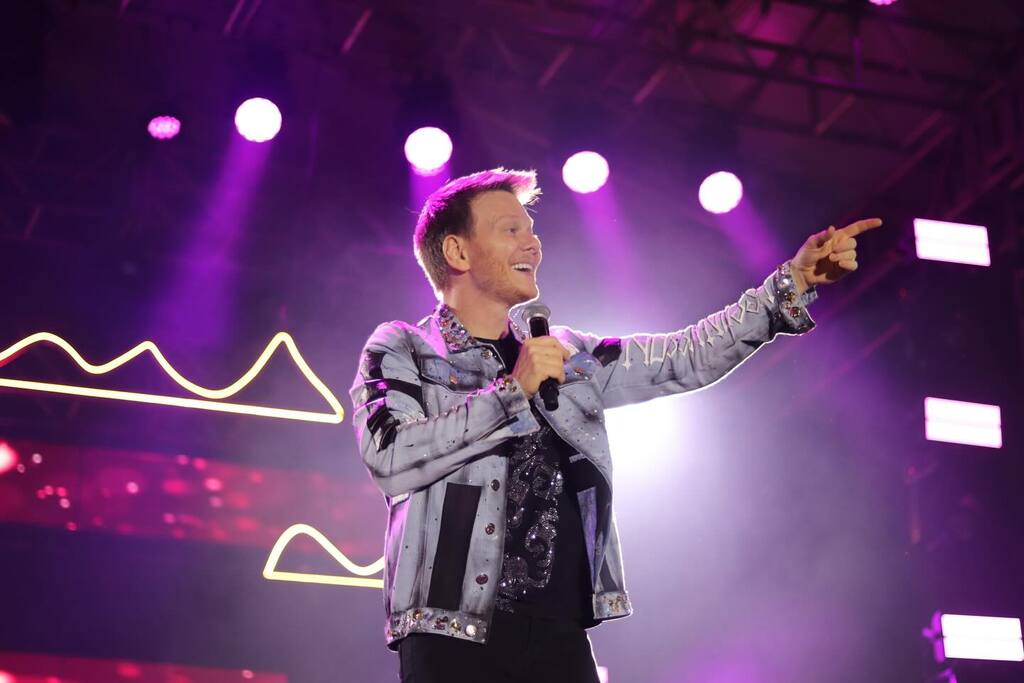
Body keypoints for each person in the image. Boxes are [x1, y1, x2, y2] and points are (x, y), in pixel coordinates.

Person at [349, 168, 881, 682]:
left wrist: (788, 285)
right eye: (510, 230)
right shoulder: (404, 347)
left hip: (559, 633)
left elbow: (684, 356)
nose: (532, 245)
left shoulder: (567, 353)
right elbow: (391, 456)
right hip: (453, 635)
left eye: (532, 231)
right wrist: (512, 392)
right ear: (457, 251)